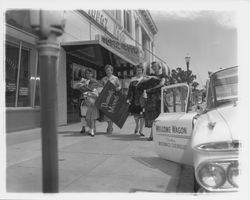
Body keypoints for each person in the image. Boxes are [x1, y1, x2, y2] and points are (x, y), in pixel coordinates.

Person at [144, 61, 166, 141]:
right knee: (153, 117)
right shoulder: (150, 76)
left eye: (155, 66)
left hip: (159, 97)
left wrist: (152, 88)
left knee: (161, 116)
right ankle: (151, 135)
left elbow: (162, 84)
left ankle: (160, 135)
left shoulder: (162, 75)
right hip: (151, 97)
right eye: (153, 66)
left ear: (159, 67)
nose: (154, 67)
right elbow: (145, 84)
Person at [101, 65, 121, 134]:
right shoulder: (103, 79)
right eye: (106, 70)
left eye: (109, 70)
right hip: (106, 98)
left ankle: (110, 127)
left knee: (111, 112)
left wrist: (118, 89)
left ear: (112, 71)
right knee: (106, 113)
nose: (108, 71)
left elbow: (119, 86)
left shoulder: (115, 78)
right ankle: (109, 126)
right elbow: (101, 88)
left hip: (113, 97)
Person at [126, 64, 145, 136]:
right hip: (134, 100)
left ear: (142, 71)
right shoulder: (132, 79)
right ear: (135, 71)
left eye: (140, 70)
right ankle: (137, 125)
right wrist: (128, 99)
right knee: (136, 115)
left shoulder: (144, 79)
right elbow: (130, 90)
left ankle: (141, 130)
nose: (139, 71)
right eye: (137, 70)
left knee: (142, 115)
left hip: (143, 99)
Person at [78, 69, 94, 134]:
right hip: (83, 99)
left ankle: (92, 128)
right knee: (83, 114)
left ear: (92, 74)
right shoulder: (83, 80)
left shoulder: (93, 81)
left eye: (89, 73)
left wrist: (86, 87)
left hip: (91, 100)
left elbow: (94, 90)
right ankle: (83, 128)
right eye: (86, 73)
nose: (88, 74)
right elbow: (79, 88)